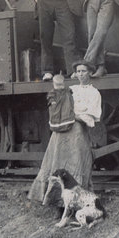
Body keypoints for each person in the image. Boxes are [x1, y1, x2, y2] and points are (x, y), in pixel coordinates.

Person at [27, 63, 101, 203]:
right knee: (56, 164)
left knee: (76, 165)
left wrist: (71, 115)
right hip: (61, 133)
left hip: (77, 132)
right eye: (78, 71)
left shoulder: (94, 93)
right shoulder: (70, 89)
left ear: (90, 73)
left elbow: (90, 117)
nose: (80, 74)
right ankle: (56, 201)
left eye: (83, 71)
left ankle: (76, 202)